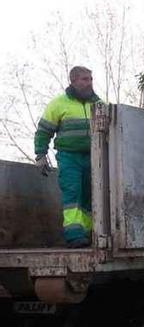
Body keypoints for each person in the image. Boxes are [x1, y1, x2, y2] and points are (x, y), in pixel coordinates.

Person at [33, 66, 102, 248]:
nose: (89, 83)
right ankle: (73, 234)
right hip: (69, 156)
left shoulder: (100, 104)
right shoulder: (58, 104)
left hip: (95, 157)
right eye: (84, 79)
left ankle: (86, 234)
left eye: (90, 79)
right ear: (73, 81)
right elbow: (44, 130)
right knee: (73, 193)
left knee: (89, 195)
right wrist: (40, 154)